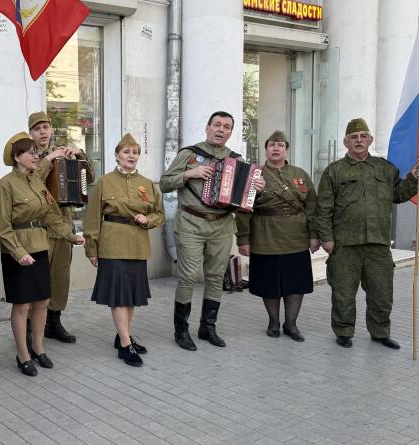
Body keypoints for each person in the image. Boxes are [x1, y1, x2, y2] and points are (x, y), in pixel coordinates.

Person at [160, 111, 265, 351]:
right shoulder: (189, 154)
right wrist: (189, 173)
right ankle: (181, 330)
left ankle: (208, 327)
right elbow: (165, 182)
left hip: (221, 224)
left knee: (216, 276)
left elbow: (246, 199)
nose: (220, 129)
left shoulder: (237, 160)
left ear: (230, 132)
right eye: (216, 125)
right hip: (190, 223)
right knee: (188, 276)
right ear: (207, 128)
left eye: (226, 126)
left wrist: (257, 188)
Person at [315, 118, 419, 349]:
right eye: (354, 137)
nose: (359, 140)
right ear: (346, 142)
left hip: (378, 244)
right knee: (343, 293)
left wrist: (413, 177)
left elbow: (399, 195)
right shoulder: (334, 171)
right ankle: (343, 331)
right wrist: (327, 238)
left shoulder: (385, 168)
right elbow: (323, 208)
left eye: (363, 136)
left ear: (370, 139)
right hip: (345, 244)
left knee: (382, 293)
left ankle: (380, 332)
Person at [0, 132, 85, 376]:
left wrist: (71, 235)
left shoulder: (37, 181)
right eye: (31, 153)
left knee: (43, 301)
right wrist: (18, 252)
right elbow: (3, 227)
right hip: (19, 251)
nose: (36, 156)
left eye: (36, 152)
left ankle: (38, 347)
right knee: (22, 304)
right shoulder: (5, 184)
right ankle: (23, 354)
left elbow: (51, 214)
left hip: (40, 246)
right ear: (17, 157)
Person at [83, 133, 164, 367]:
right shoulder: (103, 182)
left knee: (130, 297)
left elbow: (159, 215)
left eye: (135, 152)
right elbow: (92, 217)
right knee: (118, 297)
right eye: (126, 151)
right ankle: (126, 345)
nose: (131, 156)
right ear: (117, 155)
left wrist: (146, 219)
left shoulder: (147, 184)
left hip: (138, 245)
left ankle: (123, 336)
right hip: (111, 244)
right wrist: (91, 247)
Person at [235, 130, 319, 341]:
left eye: (280, 145)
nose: (275, 148)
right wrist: (243, 238)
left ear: (286, 149)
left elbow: (312, 206)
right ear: (266, 149)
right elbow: (243, 209)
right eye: (271, 144)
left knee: (296, 283)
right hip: (265, 236)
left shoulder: (300, 174)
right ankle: (273, 321)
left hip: (296, 237)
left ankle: (291, 324)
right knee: (269, 284)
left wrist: (313, 235)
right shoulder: (254, 174)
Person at [28, 111, 94, 343]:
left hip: (63, 225)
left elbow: (89, 176)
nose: (43, 132)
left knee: (60, 277)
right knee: (37, 279)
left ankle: (53, 322)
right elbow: (32, 181)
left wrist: (79, 154)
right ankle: (29, 327)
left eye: (46, 127)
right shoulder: (27, 154)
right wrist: (50, 157)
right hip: (40, 227)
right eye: (38, 129)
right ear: (31, 133)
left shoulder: (63, 154)